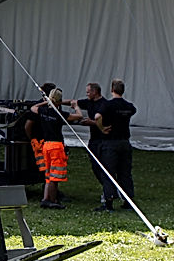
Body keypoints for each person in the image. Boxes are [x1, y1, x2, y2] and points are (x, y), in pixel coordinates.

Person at [94, 78, 137, 211]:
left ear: (112, 89)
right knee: (125, 173)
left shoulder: (108, 105)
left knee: (108, 173)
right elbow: (133, 111)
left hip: (110, 142)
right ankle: (128, 201)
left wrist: (102, 128)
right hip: (124, 142)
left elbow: (97, 117)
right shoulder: (129, 106)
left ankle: (108, 202)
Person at [72, 82, 112, 211]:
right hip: (93, 140)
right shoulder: (88, 102)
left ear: (95, 92)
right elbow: (74, 102)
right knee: (95, 166)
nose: (87, 94)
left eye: (88, 92)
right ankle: (108, 189)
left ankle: (109, 191)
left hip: (103, 140)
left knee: (104, 167)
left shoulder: (105, 105)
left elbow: (105, 123)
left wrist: (92, 122)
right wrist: (57, 101)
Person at [33, 88, 73, 208]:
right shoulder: (60, 114)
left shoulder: (43, 111)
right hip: (56, 146)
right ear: (59, 101)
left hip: (46, 145)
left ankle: (46, 198)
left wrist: (47, 102)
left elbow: (33, 107)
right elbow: (78, 116)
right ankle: (53, 200)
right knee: (55, 176)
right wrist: (76, 107)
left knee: (48, 174)